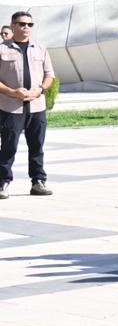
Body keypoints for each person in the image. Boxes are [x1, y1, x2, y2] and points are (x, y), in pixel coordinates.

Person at [0, 11, 54, 197]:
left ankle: (38, 182)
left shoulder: (40, 49)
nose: (26, 28)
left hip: (36, 108)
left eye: (30, 25)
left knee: (37, 146)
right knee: (8, 147)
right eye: (22, 24)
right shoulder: (2, 50)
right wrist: (12, 92)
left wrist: (40, 90)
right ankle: (3, 183)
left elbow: (50, 75)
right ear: (13, 25)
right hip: (10, 108)